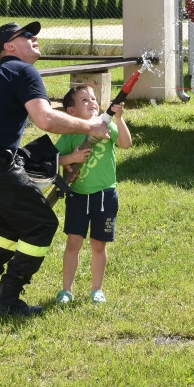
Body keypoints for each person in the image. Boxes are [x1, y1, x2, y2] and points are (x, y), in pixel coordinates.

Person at [0, 21, 111, 316]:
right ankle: (6, 301)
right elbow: (44, 119)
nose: (35, 38)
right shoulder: (23, 70)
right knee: (41, 223)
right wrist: (91, 126)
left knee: (11, 224)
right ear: (9, 47)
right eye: (26, 35)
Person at [54, 84, 132, 306]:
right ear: (71, 112)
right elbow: (55, 159)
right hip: (78, 196)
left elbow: (126, 144)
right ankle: (66, 290)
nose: (93, 103)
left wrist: (119, 119)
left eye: (94, 99)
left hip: (105, 195)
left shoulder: (106, 126)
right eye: (84, 100)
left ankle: (97, 290)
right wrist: (72, 159)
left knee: (99, 245)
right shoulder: (70, 134)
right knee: (73, 243)